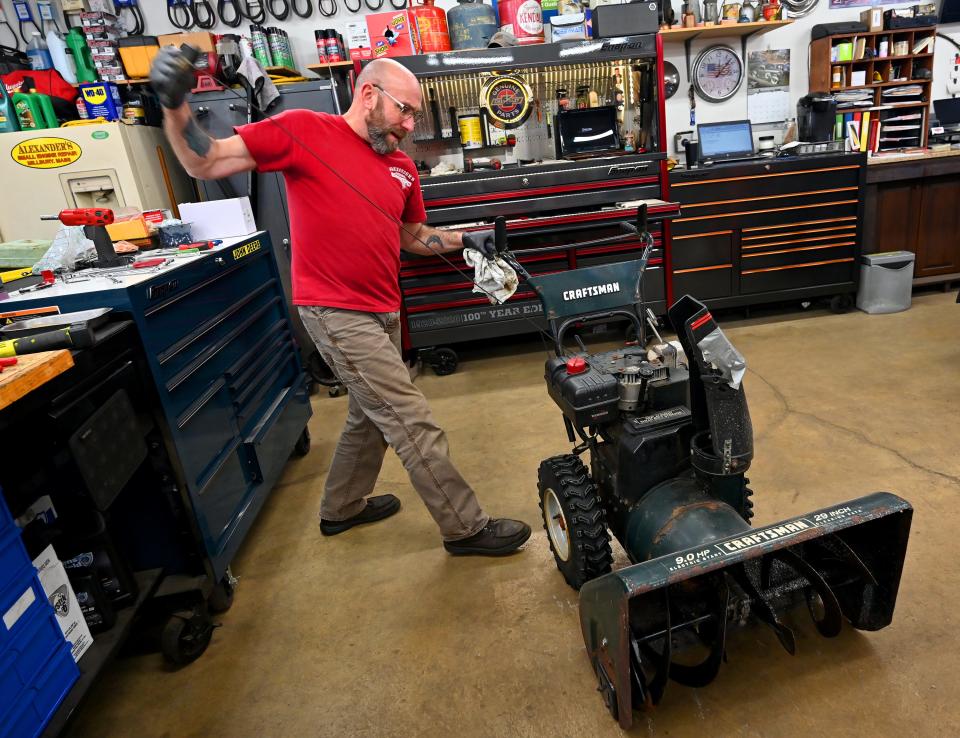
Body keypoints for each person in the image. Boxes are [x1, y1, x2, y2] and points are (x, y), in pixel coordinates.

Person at [149, 50, 531, 556]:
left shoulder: (400, 168)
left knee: (369, 413)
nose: (409, 125)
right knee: (410, 417)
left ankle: (341, 507)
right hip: (334, 311)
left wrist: (466, 240)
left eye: (415, 115)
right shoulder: (303, 129)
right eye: (405, 111)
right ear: (369, 95)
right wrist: (174, 105)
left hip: (383, 311)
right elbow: (207, 158)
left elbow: (411, 236)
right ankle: (466, 527)